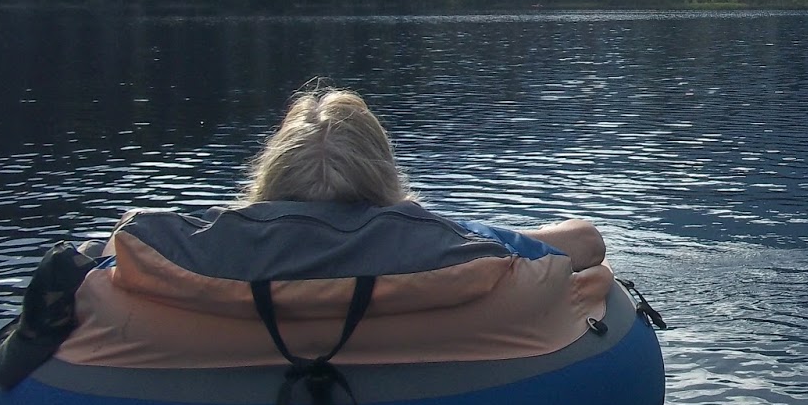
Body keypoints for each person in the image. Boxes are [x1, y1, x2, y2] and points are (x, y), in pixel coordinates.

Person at [245, 86, 607, 272]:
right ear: (382, 177)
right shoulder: (433, 241)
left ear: (270, 180)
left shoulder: (213, 247)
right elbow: (586, 243)